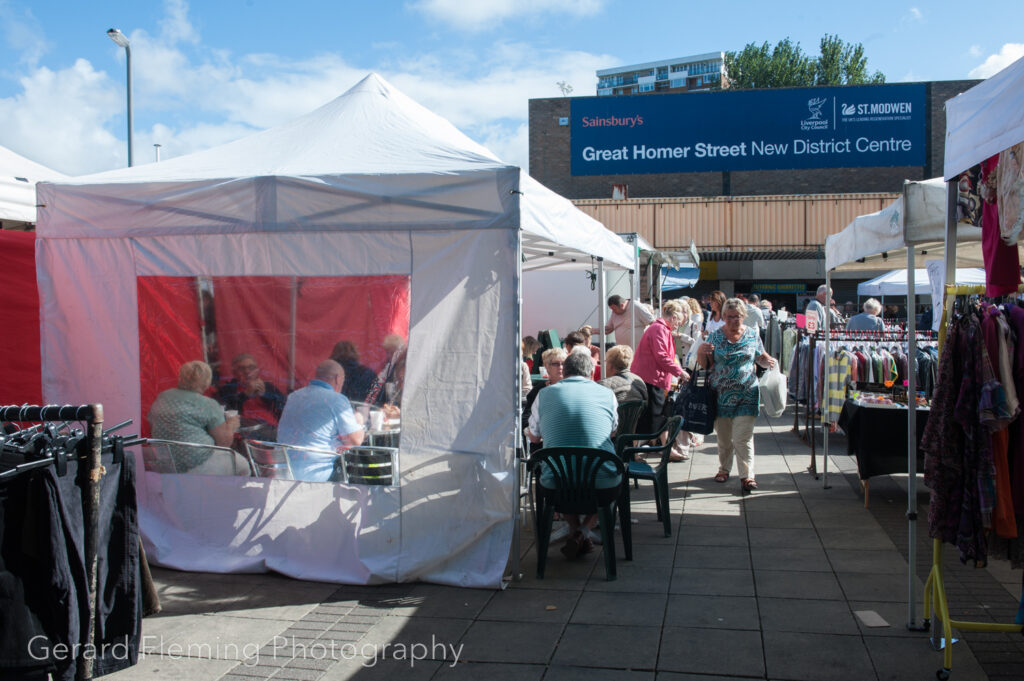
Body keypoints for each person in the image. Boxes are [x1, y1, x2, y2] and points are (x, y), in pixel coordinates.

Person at [527, 351, 620, 558]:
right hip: (601, 485)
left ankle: (575, 532)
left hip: (558, 487)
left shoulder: (544, 395)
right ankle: (583, 532)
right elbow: (612, 431)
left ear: (565, 371)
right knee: (609, 478)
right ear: (590, 373)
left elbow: (533, 438)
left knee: (561, 471)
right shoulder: (607, 394)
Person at [697, 298, 777, 492]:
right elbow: (705, 365)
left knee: (743, 438)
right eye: (729, 317)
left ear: (744, 316)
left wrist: (769, 361)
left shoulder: (751, 335)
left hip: (747, 393)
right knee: (724, 439)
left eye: (738, 316)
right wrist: (701, 350)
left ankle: (747, 476)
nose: (733, 320)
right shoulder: (715, 337)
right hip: (720, 396)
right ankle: (724, 468)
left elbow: (761, 357)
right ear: (723, 317)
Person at [148, 360, 244, 474]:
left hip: (164, 463)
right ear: (207, 382)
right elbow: (224, 443)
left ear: (180, 377)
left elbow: (151, 420)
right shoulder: (208, 404)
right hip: (195, 463)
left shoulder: (163, 396)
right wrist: (232, 425)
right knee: (244, 467)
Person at [277, 360, 365, 482]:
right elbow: (355, 441)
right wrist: (359, 422)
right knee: (356, 467)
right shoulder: (337, 400)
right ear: (338, 379)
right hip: (316, 473)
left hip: (283, 470)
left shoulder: (294, 396)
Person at [632, 300, 689, 439]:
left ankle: (665, 448)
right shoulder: (660, 328)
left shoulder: (660, 328)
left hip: (652, 377)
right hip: (651, 378)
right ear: (673, 317)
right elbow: (662, 355)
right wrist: (680, 372)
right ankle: (636, 451)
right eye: (678, 322)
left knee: (659, 414)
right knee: (652, 416)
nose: (677, 326)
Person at [215, 353, 286, 426]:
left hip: (272, 426)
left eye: (251, 367)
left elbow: (284, 408)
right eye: (241, 368)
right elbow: (227, 413)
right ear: (234, 373)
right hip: (246, 429)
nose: (247, 371)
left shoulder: (268, 386)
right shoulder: (228, 389)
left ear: (257, 371)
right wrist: (245, 394)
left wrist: (265, 395)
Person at [523, 347, 567, 435]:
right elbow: (525, 420)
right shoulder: (539, 390)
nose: (561, 367)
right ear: (547, 367)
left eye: (564, 363)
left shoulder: (572, 388)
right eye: (556, 364)